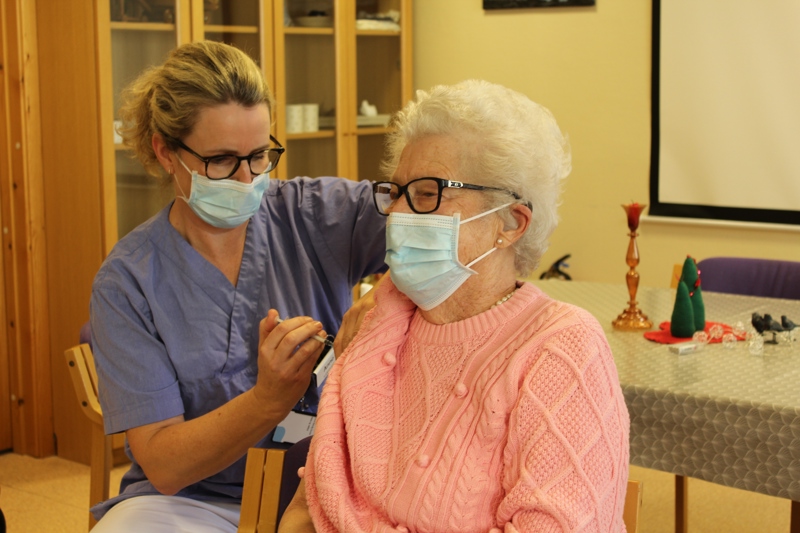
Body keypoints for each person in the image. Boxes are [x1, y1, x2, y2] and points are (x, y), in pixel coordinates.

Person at [280, 80, 630, 533]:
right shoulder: (379, 325)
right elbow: (310, 506)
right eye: (397, 192)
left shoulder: (561, 348)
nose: (400, 215)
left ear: (510, 223)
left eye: (427, 195)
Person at [89, 41, 386, 532]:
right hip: (197, 501)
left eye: (260, 155)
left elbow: (434, 222)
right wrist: (268, 400)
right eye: (223, 160)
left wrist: (381, 303)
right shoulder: (129, 282)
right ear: (166, 152)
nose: (249, 178)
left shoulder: (313, 215)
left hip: (331, 482)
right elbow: (164, 464)